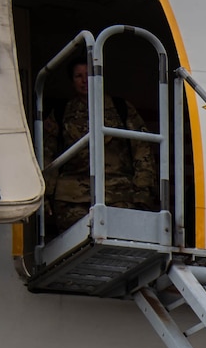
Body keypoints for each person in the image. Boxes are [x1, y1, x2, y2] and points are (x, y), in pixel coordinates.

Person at [41, 60, 158, 231]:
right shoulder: (61, 112)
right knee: (75, 249)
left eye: (88, 75)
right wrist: (45, 195)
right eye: (78, 76)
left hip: (119, 193)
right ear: (72, 81)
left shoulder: (120, 108)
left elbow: (142, 149)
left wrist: (143, 191)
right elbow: (46, 154)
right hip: (71, 196)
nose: (84, 81)